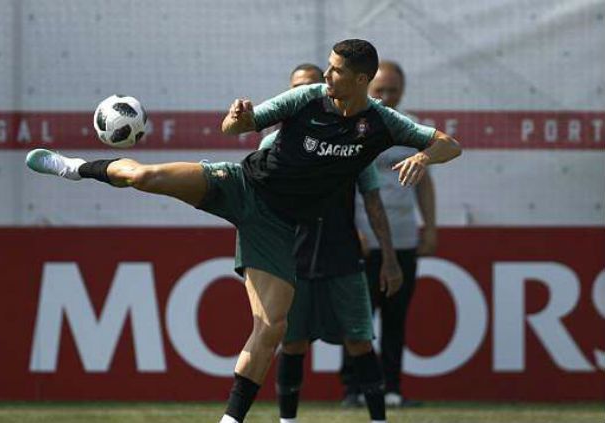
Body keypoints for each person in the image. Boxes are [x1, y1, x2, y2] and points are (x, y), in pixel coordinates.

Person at [25, 39, 461, 423]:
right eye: (328, 66)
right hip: (240, 186)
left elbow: (449, 144)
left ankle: (231, 420)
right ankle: (76, 168)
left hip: (276, 226)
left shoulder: (382, 123)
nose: (327, 74)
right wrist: (237, 117)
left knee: (272, 327)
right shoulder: (308, 97)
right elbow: (235, 128)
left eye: (337, 70)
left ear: (361, 79)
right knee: (146, 177)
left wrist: (424, 156)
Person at [258, 63, 402, 423]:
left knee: (360, 341)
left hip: (342, 255)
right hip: (293, 260)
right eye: (295, 89)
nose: (301, 96)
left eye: (309, 87)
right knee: (292, 344)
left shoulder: (354, 139)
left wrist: (389, 257)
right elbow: (258, 210)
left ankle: (379, 419)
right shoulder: (270, 145)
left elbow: (372, 200)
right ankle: (287, 421)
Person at [341, 61, 438, 408]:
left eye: (392, 90)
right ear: (366, 87)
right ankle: (354, 390)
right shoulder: (350, 126)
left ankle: (392, 389)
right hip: (363, 239)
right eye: (379, 90)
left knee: (396, 318)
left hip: (403, 238)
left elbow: (424, 183)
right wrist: (350, 231)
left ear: (403, 90)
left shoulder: (412, 129)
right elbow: (341, 187)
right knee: (358, 318)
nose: (385, 96)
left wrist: (430, 226)